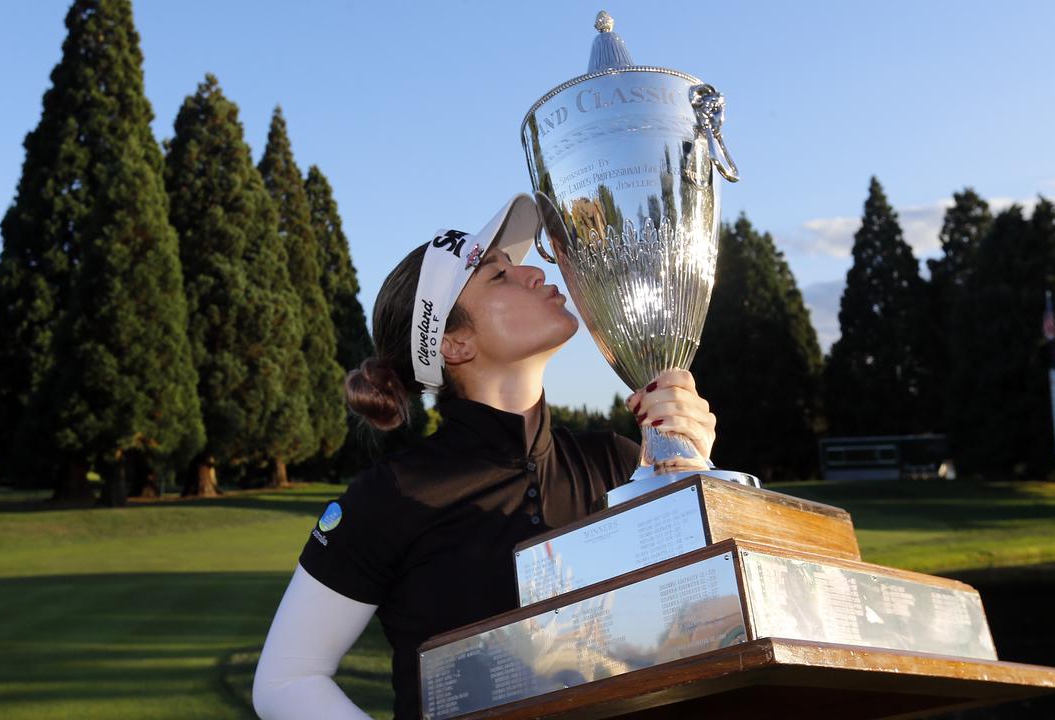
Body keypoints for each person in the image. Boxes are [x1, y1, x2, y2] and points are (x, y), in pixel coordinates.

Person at [251, 194, 718, 720]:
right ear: (453, 343)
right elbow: (286, 679)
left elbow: (699, 630)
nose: (536, 274)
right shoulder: (392, 496)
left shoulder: (620, 462)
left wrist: (693, 477)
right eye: (499, 276)